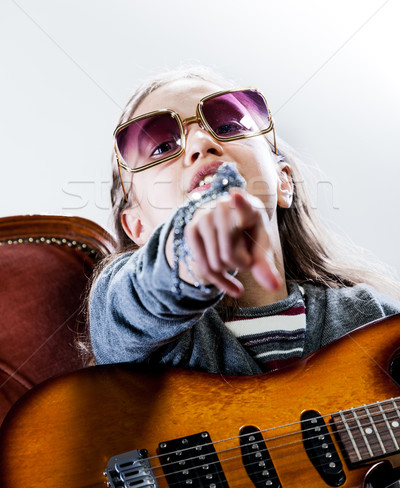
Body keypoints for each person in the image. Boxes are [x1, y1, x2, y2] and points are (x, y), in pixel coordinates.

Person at [88, 66, 400, 374]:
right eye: (162, 146)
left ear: (283, 182)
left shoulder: (372, 318)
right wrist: (186, 256)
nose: (200, 143)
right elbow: (127, 303)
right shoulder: (130, 328)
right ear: (137, 227)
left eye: (227, 126)